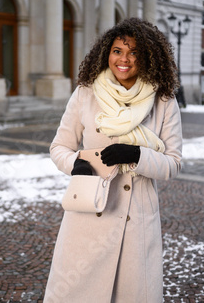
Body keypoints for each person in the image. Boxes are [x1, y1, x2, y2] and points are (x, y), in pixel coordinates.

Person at [43, 18, 183, 302]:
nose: (124, 59)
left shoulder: (164, 100)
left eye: (134, 52)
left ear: (147, 58)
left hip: (136, 220)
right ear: (107, 53)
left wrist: (136, 155)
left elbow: (173, 163)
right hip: (90, 213)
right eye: (118, 50)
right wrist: (76, 166)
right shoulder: (86, 93)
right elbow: (60, 146)